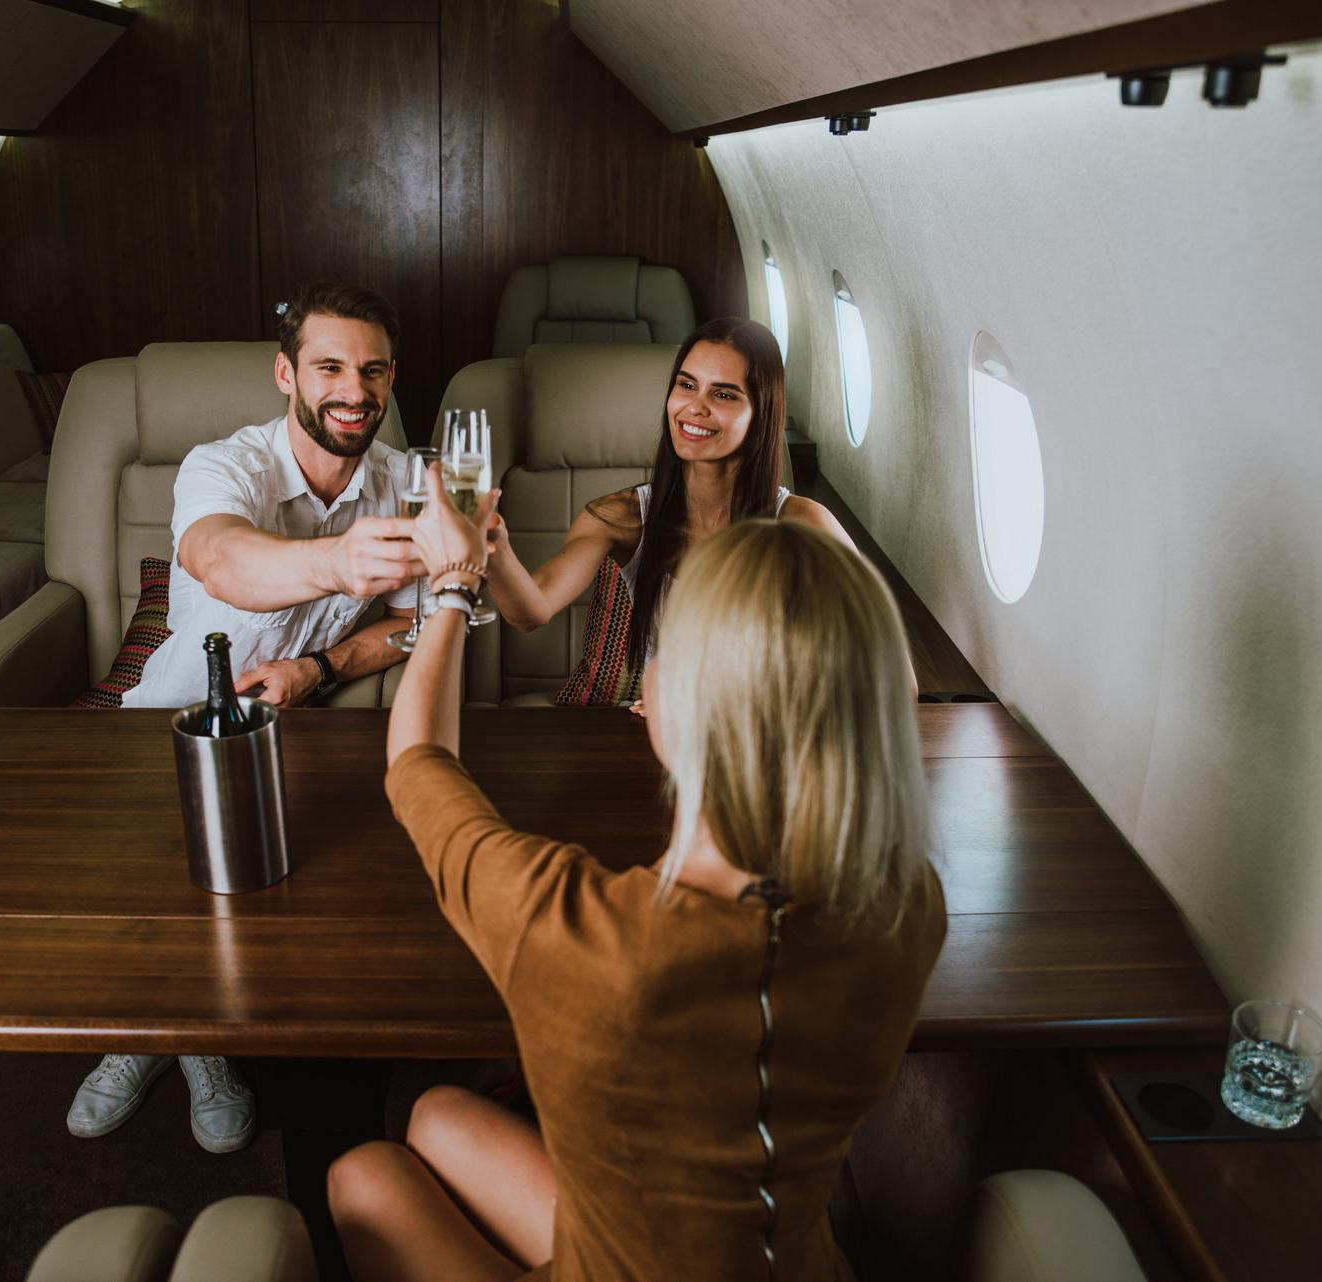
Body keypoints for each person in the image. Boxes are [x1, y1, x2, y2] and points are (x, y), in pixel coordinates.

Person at [327, 465, 947, 1280]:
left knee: (359, 1175)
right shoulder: (908, 906)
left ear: (673, 705)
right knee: (440, 1116)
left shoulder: (581, 932)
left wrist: (451, 588)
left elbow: (416, 764)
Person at [73, 282, 424, 1154]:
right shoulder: (221, 464)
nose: (354, 390)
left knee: (273, 904)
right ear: (286, 373)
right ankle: (165, 1043)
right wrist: (340, 562)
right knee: (157, 897)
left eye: (372, 370)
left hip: (299, 725)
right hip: (167, 722)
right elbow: (220, 560)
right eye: (330, 367)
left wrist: (323, 666)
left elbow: (418, 621)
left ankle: (214, 1034)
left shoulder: (401, 483)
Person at [483, 316, 858, 687]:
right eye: (687, 385)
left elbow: (896, 682)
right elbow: (531, 610)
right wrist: (494, 546)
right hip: (655, 731)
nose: (695, 407)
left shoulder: (805, 523)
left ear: (761, 413)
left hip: (758, 739)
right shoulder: (620, 517)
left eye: (724, 394)